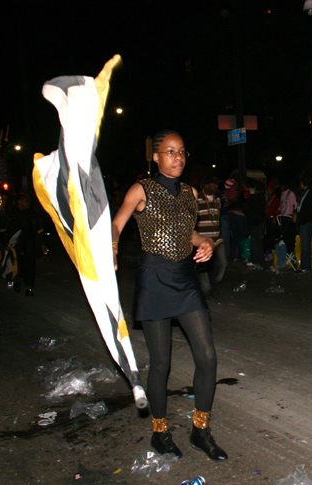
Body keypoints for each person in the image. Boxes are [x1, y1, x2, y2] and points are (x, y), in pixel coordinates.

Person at [111, 130, 227, 460]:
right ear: (157, 157)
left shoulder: (190, 192)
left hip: (185, 278)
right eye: (170, 152)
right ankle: (160, 433)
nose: (178, 157)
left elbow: (183, 231)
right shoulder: (141, 189)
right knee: (161, 363)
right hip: (155, 279)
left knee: (207, 356)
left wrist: (203, 242)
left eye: (182, 152)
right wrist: (113, 245)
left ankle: (200, 431)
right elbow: (117, 223)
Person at [196, 175, 226, 298]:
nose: (216, 186)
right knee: (203, 266)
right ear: (206, 185)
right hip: (203, 239)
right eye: (214, 184)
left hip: (217, 238)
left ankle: (212, 284)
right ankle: (207, 288)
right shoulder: (197, 198)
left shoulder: (217, 199)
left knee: (223, 263)